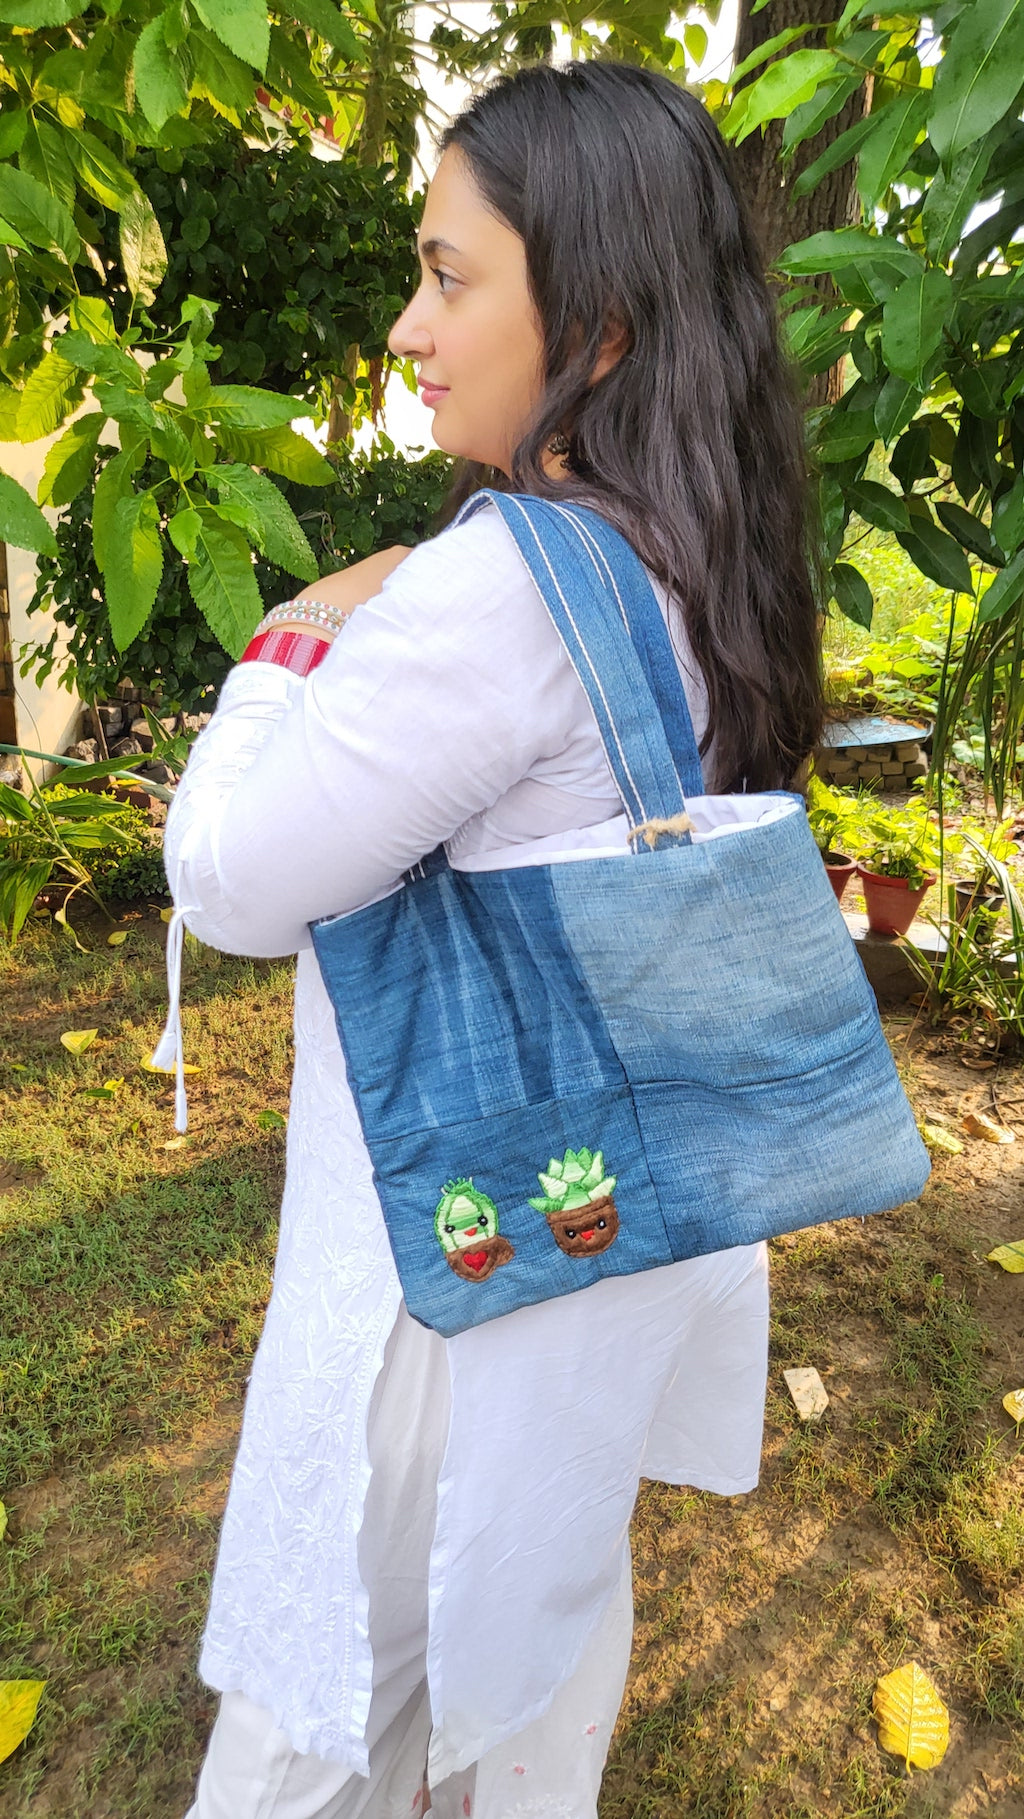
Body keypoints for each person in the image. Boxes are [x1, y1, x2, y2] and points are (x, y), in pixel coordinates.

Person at [168, 58, 822, 1819]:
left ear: (597, 328)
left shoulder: (498, 586)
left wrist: (295, 636)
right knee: (519, 1668)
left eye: (451, 278)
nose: (405, 324)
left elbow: (228, 878)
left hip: (448, 1276)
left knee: (332, 1722)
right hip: (608, 1235)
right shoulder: (696, 553)